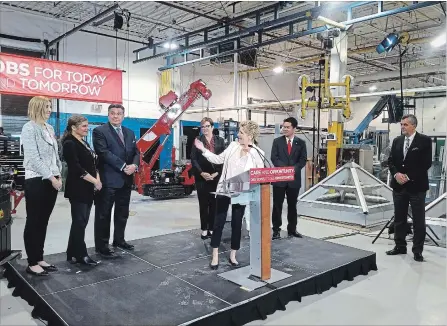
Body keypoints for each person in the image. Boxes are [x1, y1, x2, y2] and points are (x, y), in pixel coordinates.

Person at [194, 120, 265, 269]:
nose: (238, 134)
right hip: (224, 190)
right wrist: (203, 150)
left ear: (250, 135)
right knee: (218, 223)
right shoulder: (232, 146)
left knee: (237, 224)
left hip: (241, 193)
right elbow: (218, 159)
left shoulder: (257, 153)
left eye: (241, 132)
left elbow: (260, 174)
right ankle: (215, 256)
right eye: (239, 131)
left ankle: (233, 255)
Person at [21, 96, 62, 276]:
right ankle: (31, 262)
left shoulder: (49, 128)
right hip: (37, 179)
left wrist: (58, 173)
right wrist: (51, 177)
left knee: (43, 221)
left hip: (52, 178)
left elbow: (54, 155)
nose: (49, 110)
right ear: (36, 108)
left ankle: (39, 257)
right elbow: (34, 157)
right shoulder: (29, 128)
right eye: (46, 107)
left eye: (50, 106)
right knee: (34, 221)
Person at [93, 104, 140, 257]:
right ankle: (102, 246)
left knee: (122, 213)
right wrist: (123, 166)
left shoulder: (130, 133)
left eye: (119, 114)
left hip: (126, 180)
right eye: (112, 113)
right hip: (108, 181)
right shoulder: (99, 131)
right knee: (103, 214)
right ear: (108, 115)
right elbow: (103, 153)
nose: (115, 116)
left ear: (123, 116)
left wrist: (134, 165)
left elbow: (136, 152)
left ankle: (119, 240)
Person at [386, 114, 432, 262]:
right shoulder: (397, 141)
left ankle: (417, 251)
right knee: (399, 218)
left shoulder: (424, 141)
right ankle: (400, 246)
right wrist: (396, 174)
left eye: (405, 125)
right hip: (399, 187)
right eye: (401, 124)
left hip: (416, 187)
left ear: (413, 126)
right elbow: (391, 161)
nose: (402, 127)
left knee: (419, 220)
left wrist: (407, 176)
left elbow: (426, 164)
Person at [62, 115, 101, 266]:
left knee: (82, 222)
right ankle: (81, 254)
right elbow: (76, 168)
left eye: (87, 125)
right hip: (77, 188)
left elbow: (93, 163)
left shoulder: (83, 142)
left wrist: (97, 179)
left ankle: (71, 251)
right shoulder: (69, 143)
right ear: (73, 127)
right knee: (79, 221)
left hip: (88, 188)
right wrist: (95, 181)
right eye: (84, 126)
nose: (87, 128)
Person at [271, 117, 307, 240]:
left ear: (294, 128)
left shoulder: (301, 143)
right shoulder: (277, 142)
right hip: (279, 178)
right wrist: (285, 170)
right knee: (277, 206)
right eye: (283, 127)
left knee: (292, 206)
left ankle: (292, 229)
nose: (284, 129)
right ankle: (276, 230)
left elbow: (302, 160)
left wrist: (292, 170)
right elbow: (274, 158)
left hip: (293, 180)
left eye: (287, 127)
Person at [190, 117, 225, 240]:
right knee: (203, 204)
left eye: (207, 126)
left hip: (216, 176)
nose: (205, 129)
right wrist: (201, 173)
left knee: (214, 204)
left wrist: (217, 173)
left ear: (212, 127)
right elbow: (193, 159)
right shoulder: (197, 140)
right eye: (203, 127)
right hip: (202, 177)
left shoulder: (220, 141)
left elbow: (223, 159)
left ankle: (212, 228)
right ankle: (204, 229)